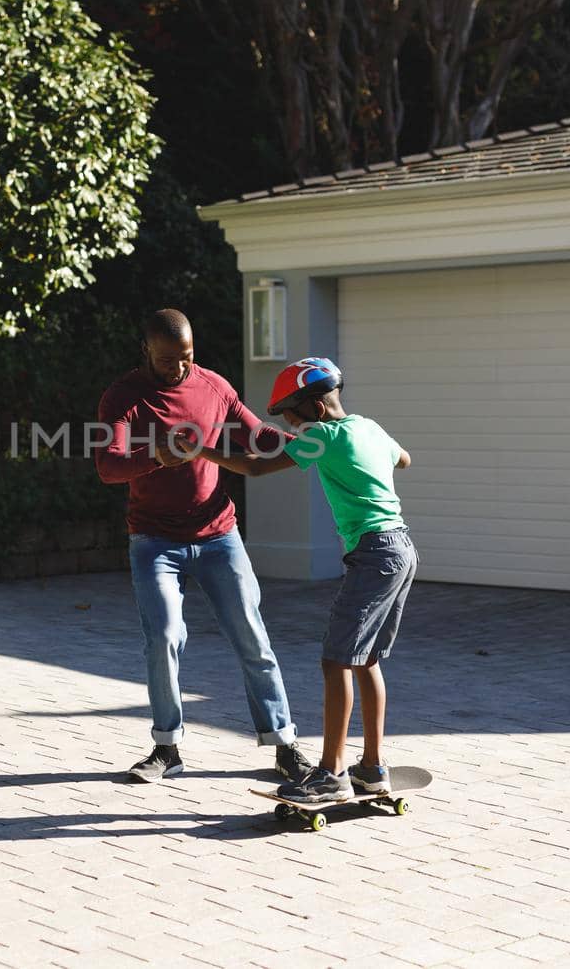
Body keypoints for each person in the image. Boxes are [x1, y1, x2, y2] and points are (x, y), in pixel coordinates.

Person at [179, 356, 415, 804]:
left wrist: (199, 451)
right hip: (401, 548)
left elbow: (254, 467)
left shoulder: (321, 437)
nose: (289, 424)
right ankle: (372, 768)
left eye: (291, 415)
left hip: (373, 553)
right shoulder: (369, 428)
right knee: (366, 660)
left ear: (317, 410)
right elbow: (404, 459)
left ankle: (332, 774)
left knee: (336, 661)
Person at [96, 309, 314, 784]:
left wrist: (310, 441)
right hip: (154, 541)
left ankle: (284, 745)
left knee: (253, 638)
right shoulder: (124, 395)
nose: (179, 368)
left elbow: (256, 434)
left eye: (187, 357)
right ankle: (166, 747)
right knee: (165, 638)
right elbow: (109, 466)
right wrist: (154, 454)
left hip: (219, 536)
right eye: (167, 359)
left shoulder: (213, 386)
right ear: (146, 352)